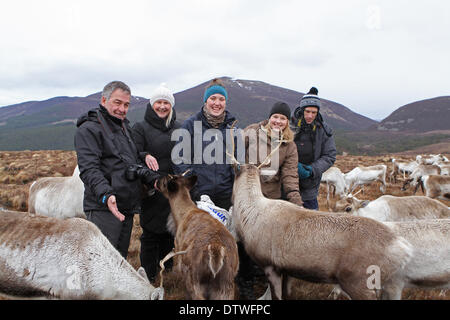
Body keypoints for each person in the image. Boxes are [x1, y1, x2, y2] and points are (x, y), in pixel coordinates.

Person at [74, 81, 160, 258]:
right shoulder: (89, 129)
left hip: (125, 207)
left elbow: (129, 160)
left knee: (118, 261)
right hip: (104, 208)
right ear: (104, 100)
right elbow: (89, 169)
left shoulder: (123, 127)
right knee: (100, 263)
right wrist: (106, 195)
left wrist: (146, 165)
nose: (122, 109)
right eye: (117, 103)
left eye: (126, 105)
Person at [131, 83, 180, 281]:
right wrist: (145, 155)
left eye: (166, 103)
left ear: (171, 106)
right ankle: (148, 276)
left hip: (173, 191)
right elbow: (132, 153)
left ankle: (167, 276)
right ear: (152, 105)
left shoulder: (179, 128)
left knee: (170, 233)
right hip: (151, 190)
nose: (162, 106)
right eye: (158, 102)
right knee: (150, 234)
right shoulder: (140, 128)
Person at [173, 78, 237, 210]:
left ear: (225, 102)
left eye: (221, 99)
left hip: (226, 197)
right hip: (198, 197)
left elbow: (237, 163)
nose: (217, 103)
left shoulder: (232, 129)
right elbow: (180, 161)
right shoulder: (190, 125)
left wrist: (234, 192)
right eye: (213, 98)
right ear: (206, 101)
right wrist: (194, 190)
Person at [244, 101, 303, 206]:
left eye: (283, 118)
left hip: (269, 198)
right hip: (246, 192)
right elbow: (235, 153)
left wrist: (297, 202)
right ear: (269, 118)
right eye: (275, 117)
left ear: (287, 122)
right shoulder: (253, 131)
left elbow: (290, 174)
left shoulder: (289, 145)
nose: (278, 121)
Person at [292, 87, 337, 210]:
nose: (310, 116)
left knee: (311, 223)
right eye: (307, 111)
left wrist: (311, 170)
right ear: (302, 110)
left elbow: (330, 156)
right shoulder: (289, 125)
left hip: (310, 186)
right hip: (287, 183)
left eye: (314, 112)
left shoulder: (324, 130)